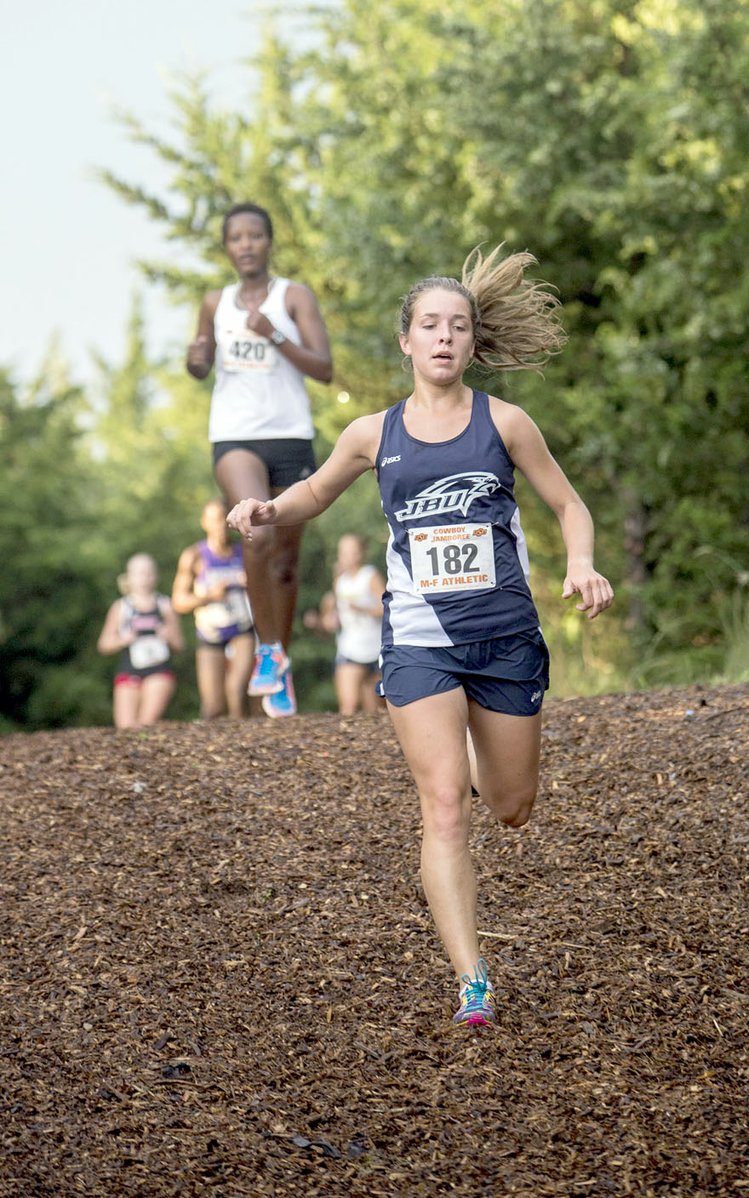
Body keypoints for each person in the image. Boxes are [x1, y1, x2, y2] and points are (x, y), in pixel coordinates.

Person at [226, 245, 614, 1029]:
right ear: (406, 341)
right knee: (443, 806)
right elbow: (314, 491)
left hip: (505, 638)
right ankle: (473, 979)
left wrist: (582, 565)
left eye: (458, 327)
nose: (443, 338)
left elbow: (570, 507)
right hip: (418, 641)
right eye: (430, 325)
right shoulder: (374, 433)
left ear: (474, 344)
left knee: (511, 806)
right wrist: (270, 509)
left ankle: (478, 755)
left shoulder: (507, 423)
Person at [186, 201, 333, 718]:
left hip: (291, 437)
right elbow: (200, 360)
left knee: (286, 564)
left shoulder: (293, 296)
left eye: (255, 236)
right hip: (235, 437)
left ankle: (278, 654)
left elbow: (324, 368)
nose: (245, 245)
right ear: (227, 247)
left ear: (269, 242)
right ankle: (266, 653)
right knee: (258, 530)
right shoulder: (214, 302)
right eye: (236, 238)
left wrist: (273, 333)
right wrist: (196, 359)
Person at [171, 498, 255, 719]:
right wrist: (209, 596)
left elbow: (268, 593)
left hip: (242, 630)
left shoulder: (245, 552)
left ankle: (245, 745)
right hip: (211, 634)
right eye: (214, 520)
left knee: (236, 691)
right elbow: (178, 601)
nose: (220, 526)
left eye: (223, 520)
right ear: (204, 523)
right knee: (213, 707)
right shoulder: (194, 556)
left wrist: (253, 584)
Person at [97, 553, 184, 729]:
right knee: (125, 727)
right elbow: (104, 645)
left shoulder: (165, 605)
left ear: (156, 576)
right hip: (129, 671)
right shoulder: (121, 607)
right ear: (129, 577)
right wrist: (122, 640)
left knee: (146, 723)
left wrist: (168, 636)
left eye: (148, 573)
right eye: (139, 573)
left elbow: (180, 644)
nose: (144, 578)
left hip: (159, 670)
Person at [304, 533, 386, 715]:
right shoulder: (339, 582)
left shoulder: (370, 575)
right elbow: (332, 620)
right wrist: (319, 622)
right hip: (349, 650)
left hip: (375, 650)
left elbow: (386, 607)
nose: (346, 556)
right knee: (349, 707)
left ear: (360, 553)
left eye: (351, 551)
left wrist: (362, 609)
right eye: (343, 552)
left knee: (375, 711)